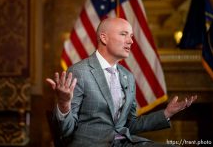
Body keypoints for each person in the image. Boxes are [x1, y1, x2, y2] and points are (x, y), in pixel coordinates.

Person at [46, 17, 197, 147]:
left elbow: (130, 124)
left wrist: (166, 113)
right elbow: (65, 131)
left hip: (123, 142)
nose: (131, 41)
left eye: (131, 36)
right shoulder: (79, 72)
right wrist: (64, 103)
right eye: (124, 34)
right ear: (104, 38)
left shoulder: (128, 76)